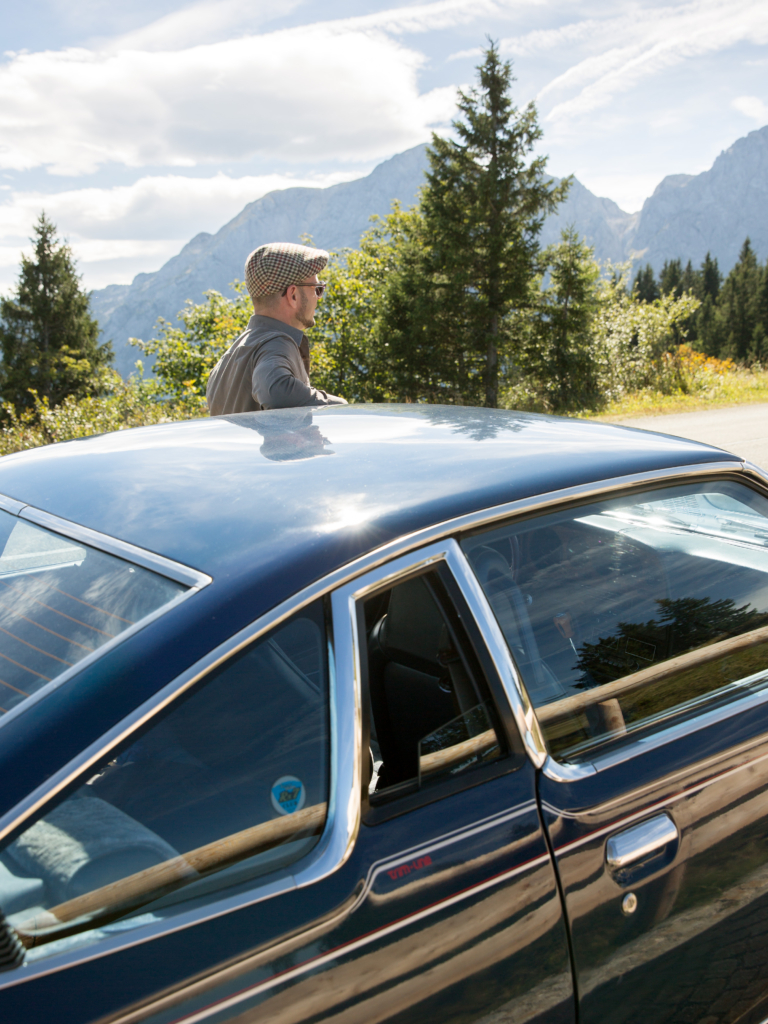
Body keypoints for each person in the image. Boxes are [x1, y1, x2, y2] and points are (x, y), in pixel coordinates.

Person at [206, 242, 347, 415]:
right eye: (317, 289)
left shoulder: (227, 359)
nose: (318, 298)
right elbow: (275, 390)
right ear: (293, 295)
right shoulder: (277, 343)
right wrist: (342, 407)